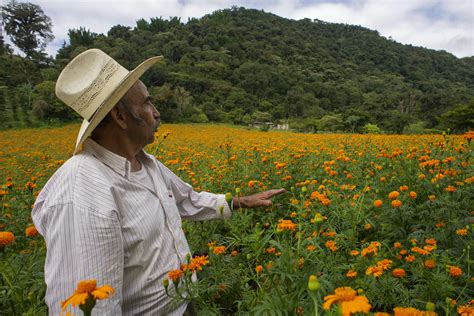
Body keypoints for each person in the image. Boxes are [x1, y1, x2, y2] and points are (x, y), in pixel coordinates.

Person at [32, 48, 285, 315]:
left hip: (185, 302)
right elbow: (92, 308)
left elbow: (189, 201)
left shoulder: (147, 164)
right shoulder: (81, 193)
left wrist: (241, 202)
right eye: (147, 103)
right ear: (120, 116)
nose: (157, 112)